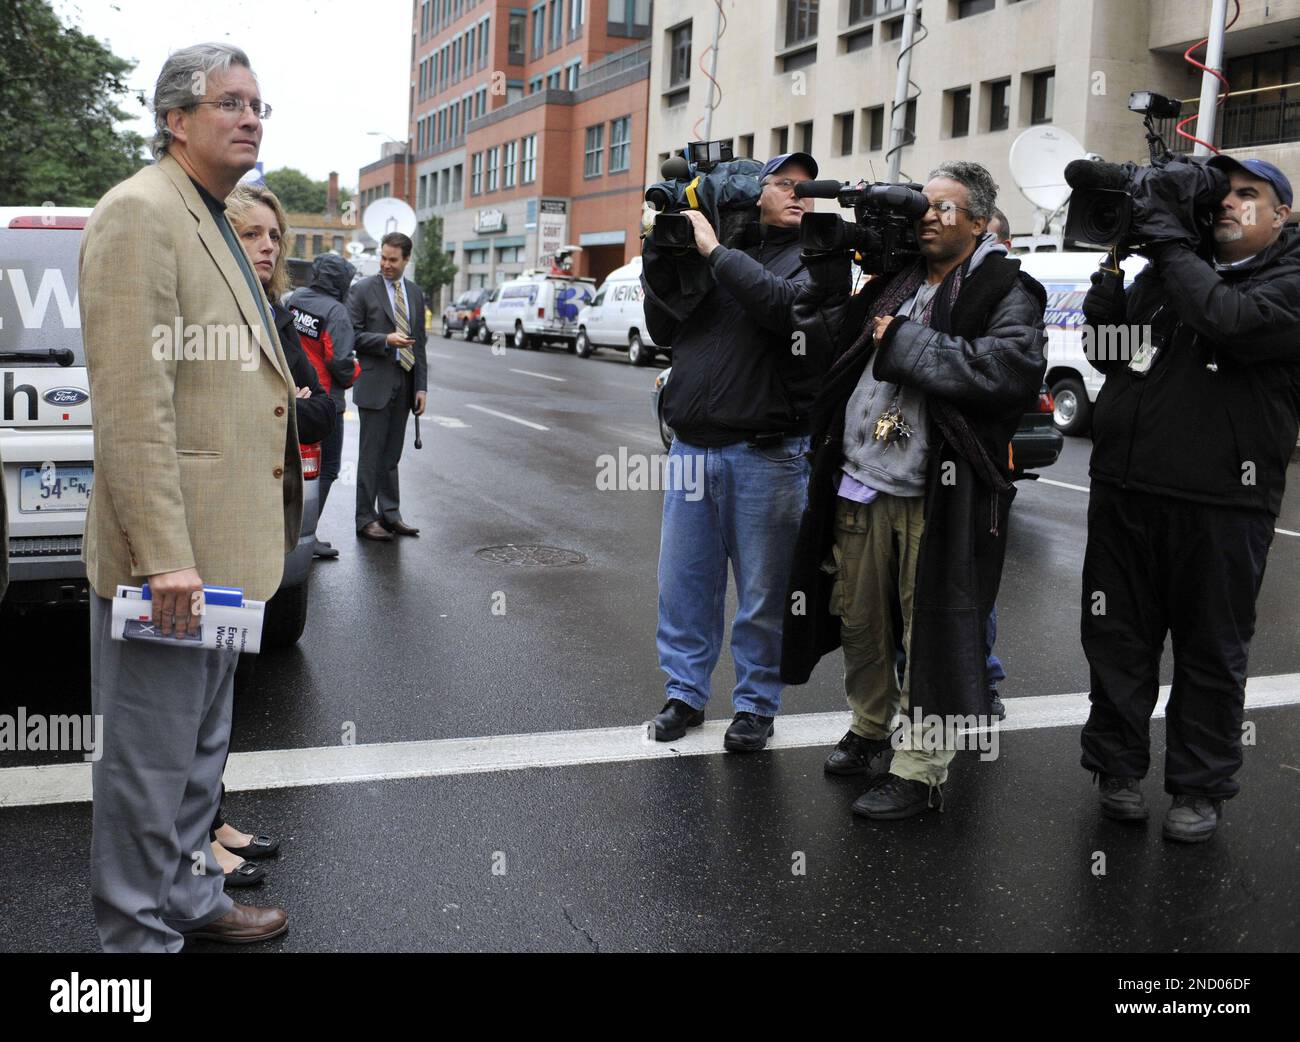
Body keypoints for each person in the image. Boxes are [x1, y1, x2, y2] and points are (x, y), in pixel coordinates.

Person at [79, 42, 296, 949]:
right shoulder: (141, 213)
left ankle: (193, 901)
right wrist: (165, 556)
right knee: (147, 769)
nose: (250, 118)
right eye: (230, 102)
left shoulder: (210, 215)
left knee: (199, 756)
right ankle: (135, 945)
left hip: (225, 555)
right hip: (171, 567)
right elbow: (134, 408)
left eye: (258, 105)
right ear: (175, 119)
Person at [782, 161, 1047, 819]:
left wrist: (904, 339)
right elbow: (826, 351)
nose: (926, 216)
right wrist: (827, 277)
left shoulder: (1008, 287)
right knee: (861, 620)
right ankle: (871, 727)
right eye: (921, 205)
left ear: (979, 221)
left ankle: (921, 769)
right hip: (861, 482)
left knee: (931, 630)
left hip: (939, 493)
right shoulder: (895, 280)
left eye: (943, 207)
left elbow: (1006, 370)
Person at [1079, 155, 1300, 843]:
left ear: (1282, 214)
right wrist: (1110, 289)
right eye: (1220, 193)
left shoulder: (1288, 279)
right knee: (1117, 642)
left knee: (1210, 652)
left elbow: (1230, 321)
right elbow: (1113, 356)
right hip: (1126, 493)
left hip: (1223, 504)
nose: (1228, 203)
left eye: (1247, 194)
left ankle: (1199, 788)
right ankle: (1116, 768)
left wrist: (1171, 244)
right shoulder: (1169, 272)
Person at [641, 151, 825, 753]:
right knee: (683, 586)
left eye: (807, 187)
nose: (799, 194)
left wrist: (716, 251)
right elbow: (664, 330)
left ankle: (754, 704)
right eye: (785, 184)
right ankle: (684, 693)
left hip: (767, 454)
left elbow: (783, 308)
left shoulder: (818, 259)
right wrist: (661, 256)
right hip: (692, 449)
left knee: (763, 595)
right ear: (754, 194)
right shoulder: (712, 253)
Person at [211, 182, 337, 887]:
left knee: (223, 685)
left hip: (256, 520)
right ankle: (194, 840)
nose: (267, 246)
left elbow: (319, 409)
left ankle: (212, 817)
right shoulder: (211, 308)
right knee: (195, 689)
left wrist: (289, 403)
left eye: (274, 235)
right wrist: (287, 403)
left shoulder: (274, 309)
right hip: (214, 517)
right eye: (251, 234)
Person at [348, 232, 428, 541]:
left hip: (405, 382)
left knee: (391, 455)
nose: (385, 264)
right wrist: (385, 340)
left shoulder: (415, 293)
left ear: (406, 259)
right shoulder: (362, 290)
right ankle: (365, 518)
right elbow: (352, 335)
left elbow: (420, 344)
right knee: (371, 456)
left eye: (393, 260)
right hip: (375, 382)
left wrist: (421, 387)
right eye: (383, 258)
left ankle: (390, 514)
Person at [287, 252, 359, 558]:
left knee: (291, 466)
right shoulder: (336, 312)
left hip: (294, 394)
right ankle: (306, 534)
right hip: (325, 402)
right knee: (326, 468)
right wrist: (355, 371)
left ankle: (287, 530)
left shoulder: (295, 298)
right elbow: (340, 361)